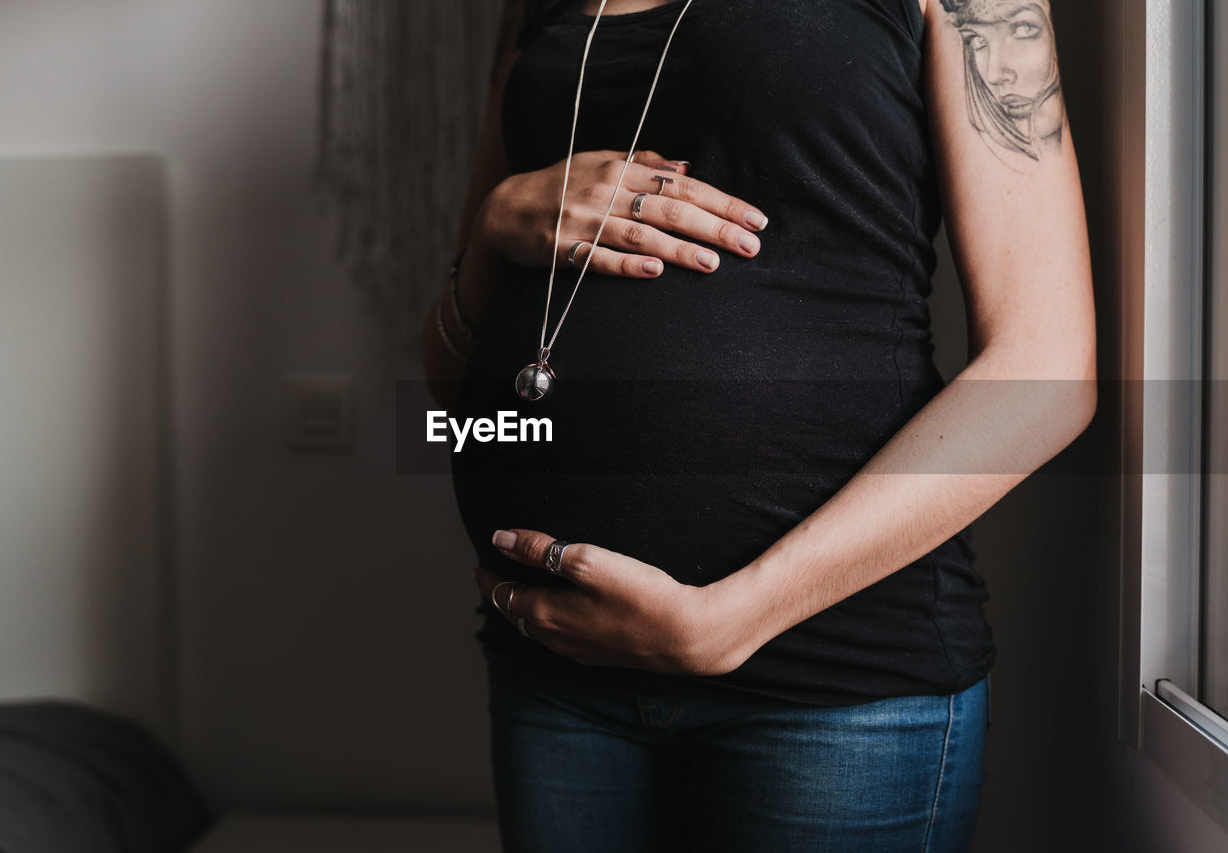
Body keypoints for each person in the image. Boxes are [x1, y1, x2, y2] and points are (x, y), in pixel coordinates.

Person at [420, 1, 1095, 851]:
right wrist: (489, 232)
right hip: (557, 669)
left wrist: (737, 613)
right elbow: (453, 384)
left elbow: (1050, 371)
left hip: (832, 686)